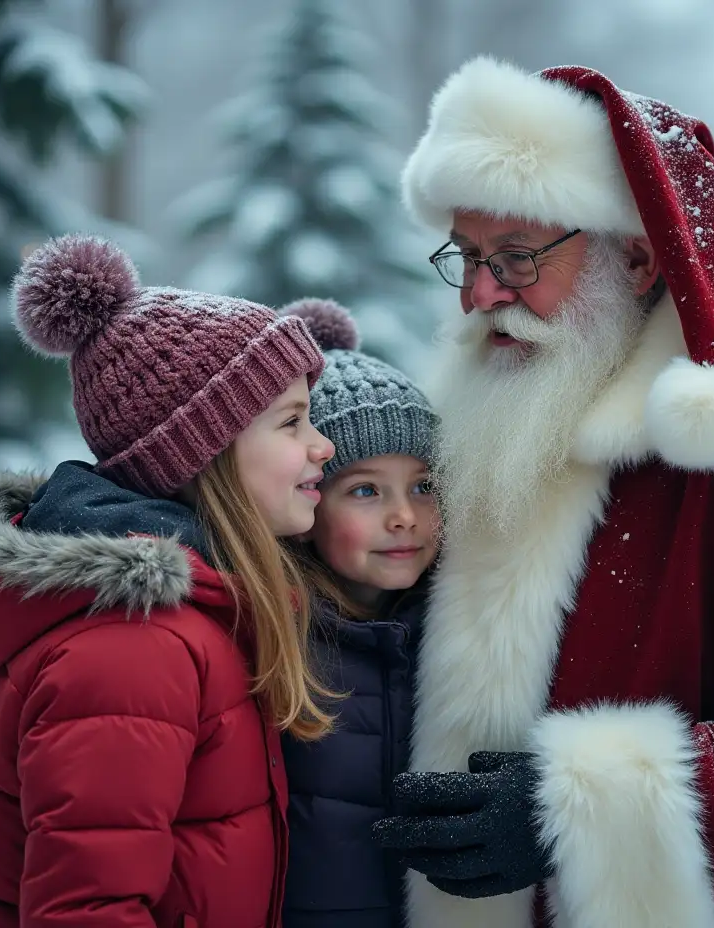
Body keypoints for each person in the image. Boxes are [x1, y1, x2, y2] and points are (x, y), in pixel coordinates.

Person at [371, 57, 714, 928]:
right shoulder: (466, 411)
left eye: (516, 259)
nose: (482, 295)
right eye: (468, 257)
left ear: (635, 258)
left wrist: (575, 814)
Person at [0, 235, 336, 928]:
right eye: (292, 421)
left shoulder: (194, 618)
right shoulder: (134, 648)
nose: (322, 444)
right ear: (204, 450)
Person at [273, 298, 440, 928]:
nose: (404, 515)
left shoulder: (457, 630)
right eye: (366, 490)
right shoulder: (275, 640)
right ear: (308, 504)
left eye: (425, 485)